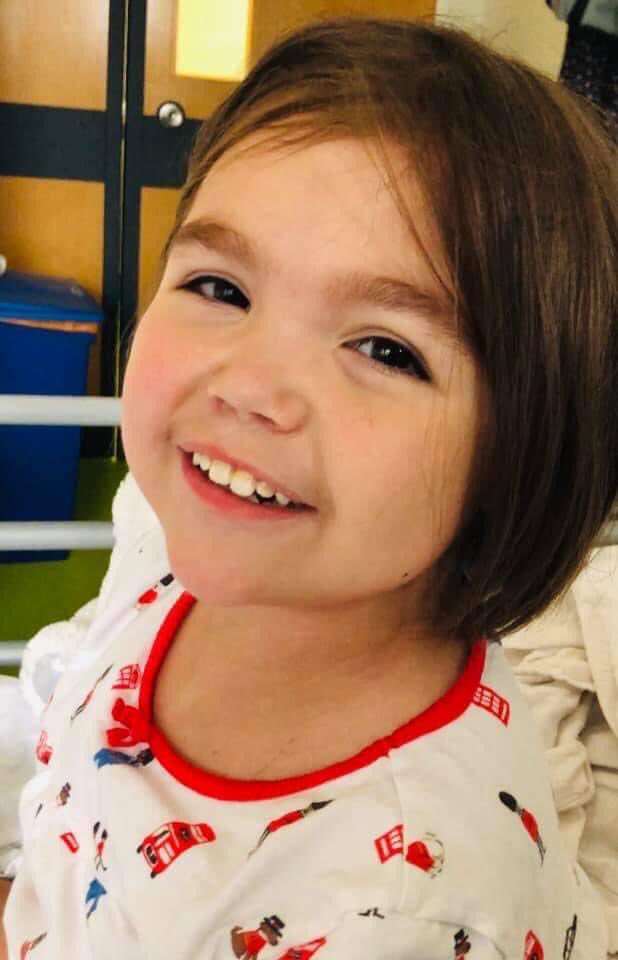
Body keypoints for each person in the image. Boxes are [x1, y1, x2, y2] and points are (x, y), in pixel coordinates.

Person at [1, 15, 617, 960]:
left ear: (522, 457)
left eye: (384, 349)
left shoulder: (404, 907)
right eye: (221, 288)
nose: (248, 385)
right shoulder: (174, 550)